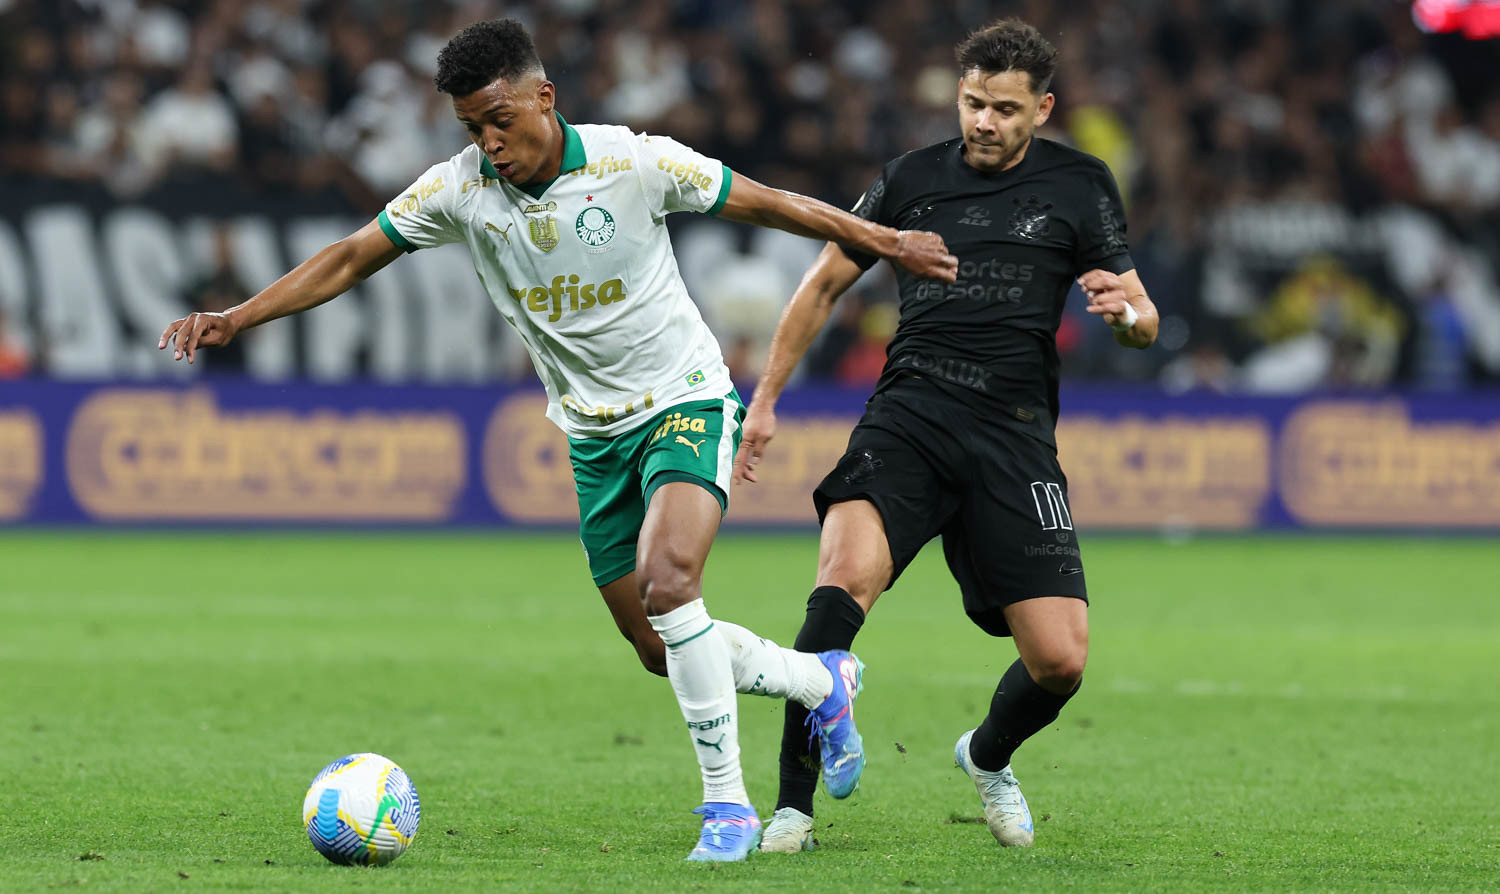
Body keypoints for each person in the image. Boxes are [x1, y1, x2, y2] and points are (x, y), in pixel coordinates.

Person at [158, 19, 957, 863]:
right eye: (472, 128)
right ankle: (821, 680)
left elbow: (769, 202)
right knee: (660, 650)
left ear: (544, 95)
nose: (489, 143)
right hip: (590, 433)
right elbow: (353, 256)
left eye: (500, 119)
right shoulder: (459, 189)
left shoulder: (634, 161)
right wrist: (237, 316)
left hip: (684, 398)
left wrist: (885, 240)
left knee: (669, 580)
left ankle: (727, 809)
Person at [733, 18, 1159, 852]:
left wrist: (1130, 318)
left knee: (1061, 662)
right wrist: (766, 398)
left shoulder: (1081, 183)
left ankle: (988, 757)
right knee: (839, 586)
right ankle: (790, 809)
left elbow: (1141, 310)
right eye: (972, 103)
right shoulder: (909, 180)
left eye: (1003, 109)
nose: (983, 123)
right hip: (911, 415)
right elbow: (823, 286)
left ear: (1042, 107)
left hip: (1016, 436)